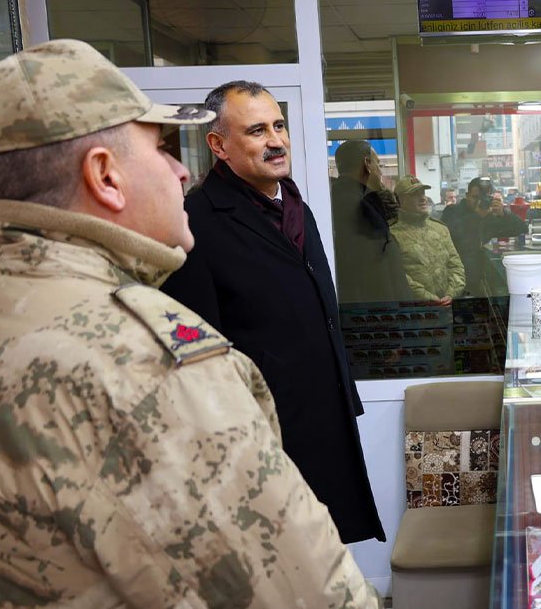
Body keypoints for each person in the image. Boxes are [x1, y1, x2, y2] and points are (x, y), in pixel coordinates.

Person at [0, 40, 379, 606]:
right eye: (156, 147)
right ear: (105, 174)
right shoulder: (146, 357)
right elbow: (300, 583)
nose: (178, 169)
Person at [160, 82, 385, 545]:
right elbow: (195, 355)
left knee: (325, 545)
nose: (277, 141)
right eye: (257, 130)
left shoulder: (298, 208)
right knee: (280, 554)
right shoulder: (195, 222)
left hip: (324, 413)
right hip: (262, 432)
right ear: (218, 145)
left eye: (279, 126)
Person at [330, 139, 413, 303]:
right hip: (375, 306)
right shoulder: (357, 205)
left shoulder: (348, 199)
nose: (380, 172)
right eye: (378, 165)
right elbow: (373, 267)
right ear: (367, 164)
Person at [440, 175, 526, 295]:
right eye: (475, 197)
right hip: (455, 277)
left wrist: (504, 213)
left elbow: (521, 229)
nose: (479, 202)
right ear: (467, 195)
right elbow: (454, 234)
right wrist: (477, 216)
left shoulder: (489, 216)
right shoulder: (452, 211)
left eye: (484, 198)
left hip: (481, 278)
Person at [389, 175, 465, 304]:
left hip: (447, 305)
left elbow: (456, 265)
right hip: (415, 308)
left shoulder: (440, 229)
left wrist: (451, 294)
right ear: (400, 200)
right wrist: (427, 298)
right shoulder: (392, 233)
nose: (423, 198)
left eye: (423, 193)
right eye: (414, 194)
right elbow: (397, 274)